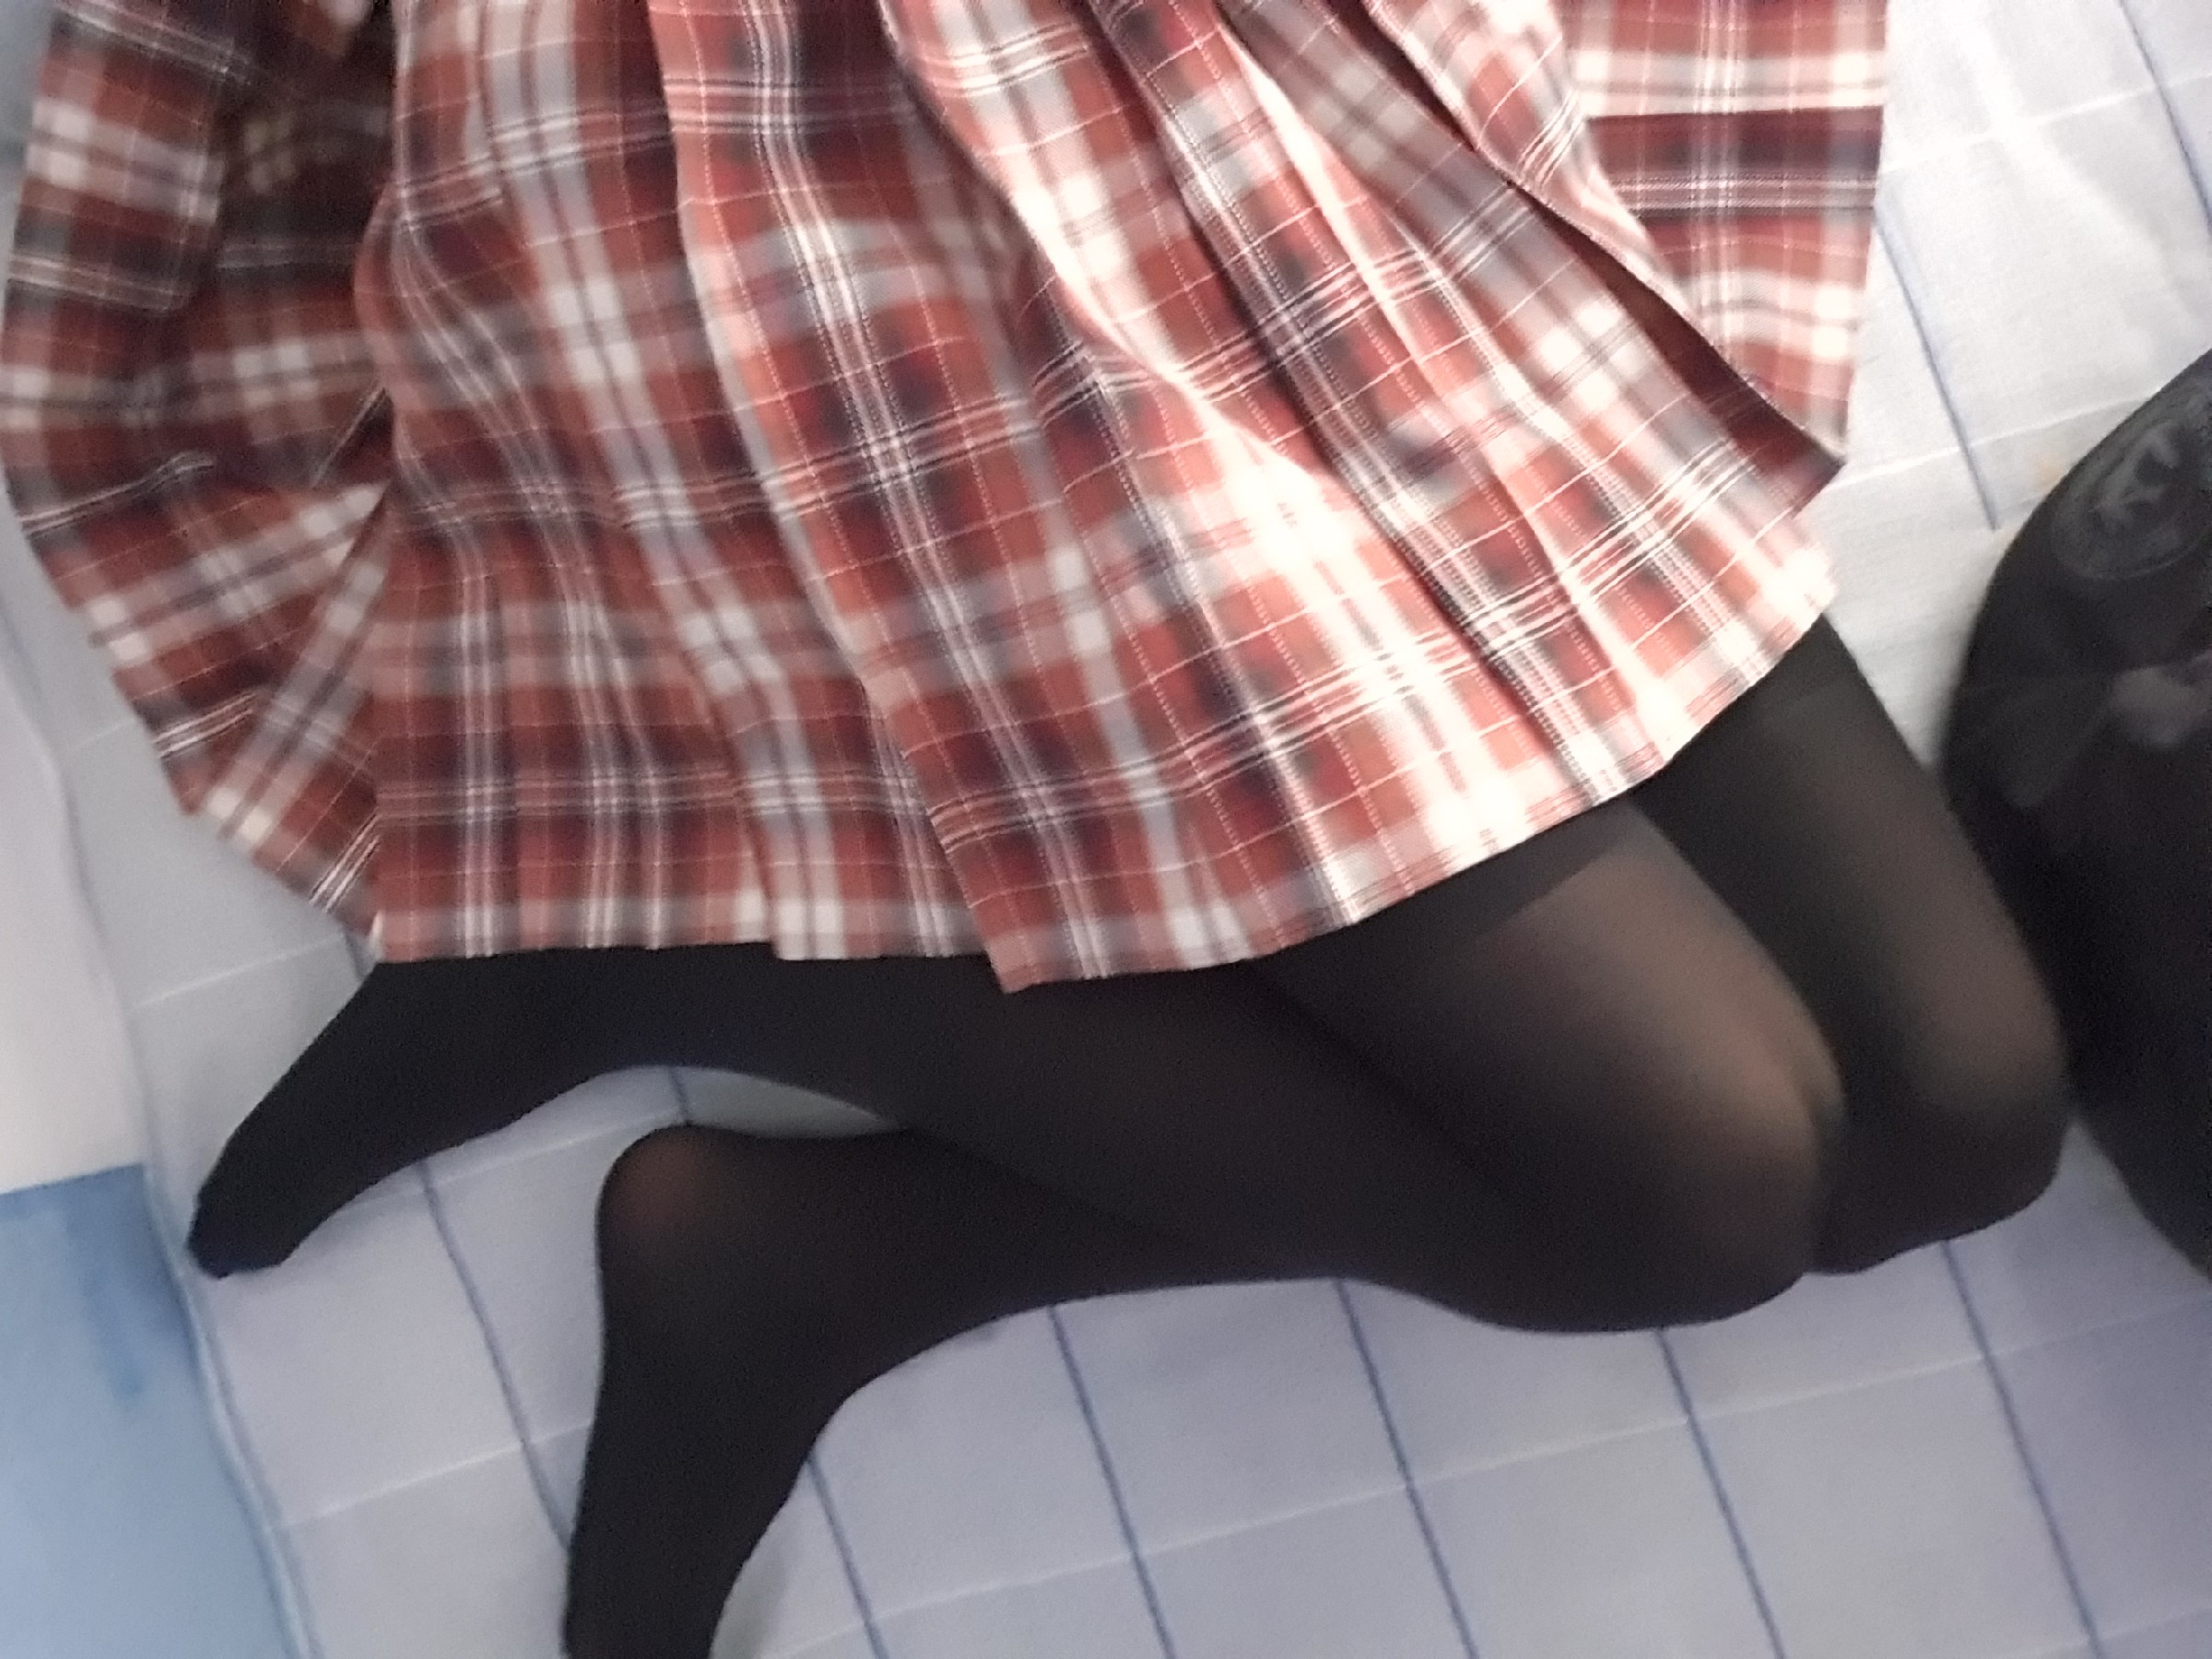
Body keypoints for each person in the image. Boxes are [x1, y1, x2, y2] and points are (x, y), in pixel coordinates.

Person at [0, 0, 2066, 1654]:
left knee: (1963, 1117)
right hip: (816, 148)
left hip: (1267, 114)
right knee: (1696, 1193)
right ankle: (679, 1011)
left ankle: (818, 1234)